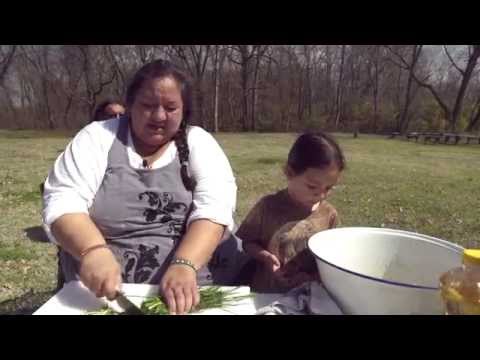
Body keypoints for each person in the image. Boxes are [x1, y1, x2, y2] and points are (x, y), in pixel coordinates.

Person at [42, 59, 242, 314]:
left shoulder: (199, 143)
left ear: (184, 111)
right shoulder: (97, 137)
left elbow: (215, 209)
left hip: (190, 290)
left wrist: (185, 264)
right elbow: (63, 199)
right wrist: (93, 250)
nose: (159, 116)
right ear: (130, 106)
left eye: (171, 108)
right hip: (106, 295)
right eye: (148, 105)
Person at [236, 132, 345, 293]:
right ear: (289, 172)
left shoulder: (329, 215)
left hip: (311, 295)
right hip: (268, 293)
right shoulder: (268, 207)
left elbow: (335, 259)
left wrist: (313, 277)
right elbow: (248, 242)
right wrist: (265, 257)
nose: (321, 195)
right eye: (312, 187)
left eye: (328, 188)